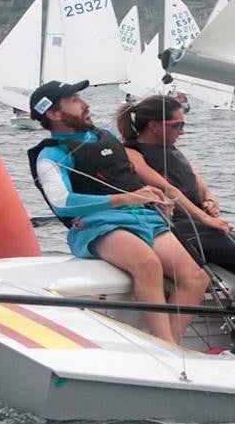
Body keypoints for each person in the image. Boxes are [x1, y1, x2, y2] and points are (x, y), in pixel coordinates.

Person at [26, 80, 209, 344]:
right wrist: (125, 199)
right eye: (75, 100)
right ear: (54, 114)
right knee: (147, 264)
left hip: (144, 218)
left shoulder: (108, 137)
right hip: (98, 226)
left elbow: (131, 177)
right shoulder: (51, 155)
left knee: (195, 278)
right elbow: (62, 201)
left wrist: (155, 196)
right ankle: (166, 346)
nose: (85, 103)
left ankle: (166, 347)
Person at [115, 95, 235, 344]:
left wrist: (210, 201)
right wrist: (206, 220)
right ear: (154, 125)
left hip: (198, 223)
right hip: (174, 227)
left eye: (183, 125)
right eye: (177, 125)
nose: (182, 132)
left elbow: (200, 185)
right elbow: (169, 191)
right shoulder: (131, 153)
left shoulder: (174, 152)